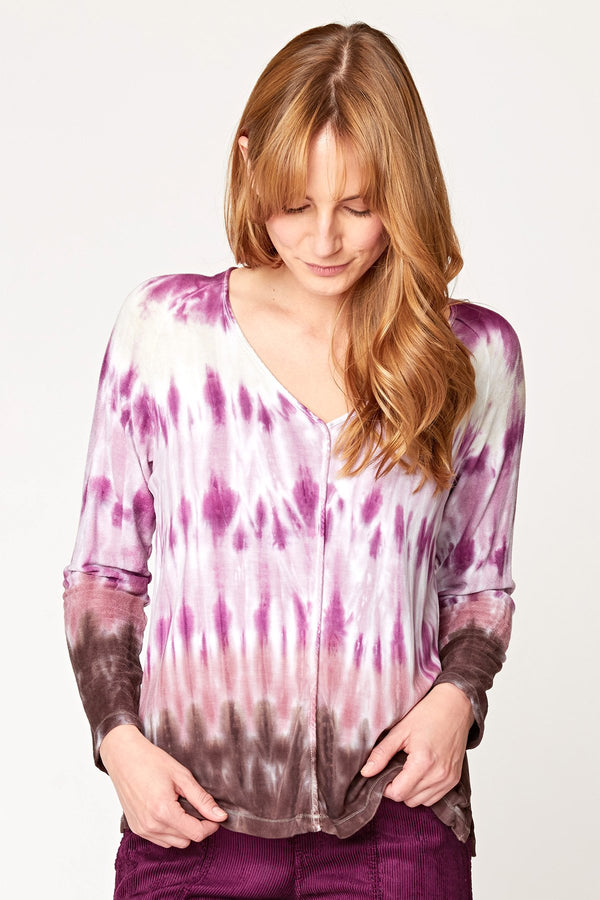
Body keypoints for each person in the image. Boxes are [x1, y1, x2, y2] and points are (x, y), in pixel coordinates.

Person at [63, 21, 525, 900]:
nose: (324, 238)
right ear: (249, 166)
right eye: (294, 203)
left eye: (359, 205)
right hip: (191, 819)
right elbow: (104, 575)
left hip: (397, 823)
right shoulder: (167, 335)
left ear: (405, 187)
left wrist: (456, 701)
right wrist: (118, 743)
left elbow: (478, 586)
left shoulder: (471, 357)